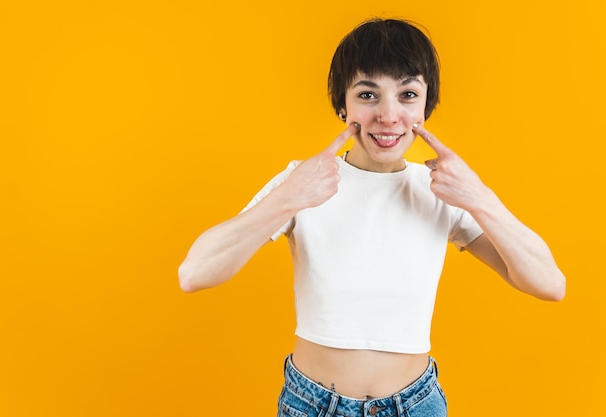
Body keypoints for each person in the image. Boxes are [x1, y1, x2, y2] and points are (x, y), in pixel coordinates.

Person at [178, 18, 565, 417]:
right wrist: (287, 198)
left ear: (426, 105)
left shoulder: (441, 191)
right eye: (368, 94)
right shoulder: (304, 181)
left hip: (416, 405)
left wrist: (480, 198)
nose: (389, 115)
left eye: (408, 94)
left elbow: (549, 284)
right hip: (312, 404)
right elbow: (195, 274)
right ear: (343, 103)